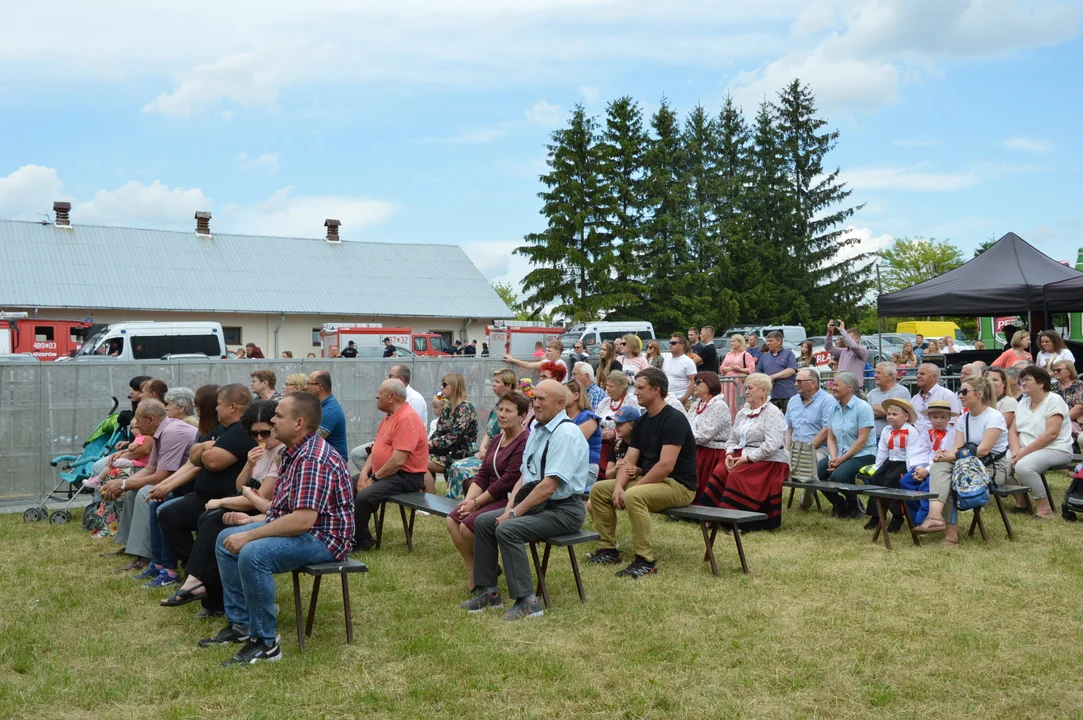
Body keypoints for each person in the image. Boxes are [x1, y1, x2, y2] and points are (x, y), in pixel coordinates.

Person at [203, 392, 354, 665]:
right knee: (225, 537)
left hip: (325, 539)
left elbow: (302, 521)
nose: (272, 421)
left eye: (279, 416)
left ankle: (266, 643)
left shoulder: (312, 458)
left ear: (298, 423)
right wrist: (247, 522)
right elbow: (279, 510)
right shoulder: (292, 452)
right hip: (307, 530)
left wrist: (249, 534)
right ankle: (241, 626)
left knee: (253, 553)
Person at [459, 380, 588, 620]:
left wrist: (514, 514)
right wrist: (509, 507)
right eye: (534, 398)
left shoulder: (566, 434)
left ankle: (528, 601)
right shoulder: (538, 430)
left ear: (560, 403)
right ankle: (490, 592)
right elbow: (524, 476)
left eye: (542, 399)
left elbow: (549, 486)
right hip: (538, 503)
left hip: (564, 511)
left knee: (508, 529)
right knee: (485, 522)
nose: (535, 404)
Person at [161, 400, 283, 612]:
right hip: (251, 505)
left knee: (213, 522)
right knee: (189, 516)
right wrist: (248, 464)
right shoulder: (259, 450)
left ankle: (200, 585)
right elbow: (240, 486)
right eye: (255, 434)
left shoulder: (281, 453)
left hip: (263, 510)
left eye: (265, 433)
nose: (260, 438)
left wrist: (223, 501)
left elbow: (260, 498)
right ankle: (202, 584)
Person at [588, 367, 698, 578]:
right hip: (651, 482)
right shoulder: (642, 421)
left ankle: (645, 561)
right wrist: (619, 486)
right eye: (635, 387)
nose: (635, 392)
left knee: (634, 495)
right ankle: (608, 549)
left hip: (679, 485)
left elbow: (665, 466)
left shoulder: (673, 420)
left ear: (656, 390)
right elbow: (628, 462)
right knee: (600, 489)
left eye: (640, 387)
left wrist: (632, 488)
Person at [158, 385, 257, 573]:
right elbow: (193, 456)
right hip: (203, 496)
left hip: (227, 499)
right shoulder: (222, 428)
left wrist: (204, 450)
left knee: (181, 516)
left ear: (233, 406)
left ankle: (198, 572)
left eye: (219, 404)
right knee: (168, 514)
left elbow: (212, 462)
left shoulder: (242, 431)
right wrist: (205, 448)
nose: (216, 409)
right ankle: (192, 566)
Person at [98, 400, 197, 573]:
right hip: (175, 482)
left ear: (150, 419)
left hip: (187, 486)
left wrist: (122, 483)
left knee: (145, 492)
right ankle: (132, 547)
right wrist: (123, 486)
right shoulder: (161, 431)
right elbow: (151, 468)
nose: (134, 424)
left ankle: (146, 556)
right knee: (133, 490)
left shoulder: (172, 432)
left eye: (137, 419)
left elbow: (161, 476)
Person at [446, 391, 530, 591]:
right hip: (488, 496)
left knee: (467, 526)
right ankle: (473, 569)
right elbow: (483, 474)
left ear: (522, 416)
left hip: (508, 499)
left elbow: (508, 481)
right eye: (500, 409)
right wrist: (468, 501)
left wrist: (476, 504)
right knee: (452, 519)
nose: (502, 414)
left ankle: (486, 567)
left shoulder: (524, 441)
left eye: (508, 411)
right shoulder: (496, 440)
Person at [916, 376, 1009, 542]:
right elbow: (957, 448)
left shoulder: (994, 416)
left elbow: (984, 450)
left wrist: (952, 456)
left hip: (993, 467)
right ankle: (935, 516)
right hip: (968, 463)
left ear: (979, 394)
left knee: (950, 479)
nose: (960, 395)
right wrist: (943, 456)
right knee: (940, 467)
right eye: (960, 391)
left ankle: (949, 534)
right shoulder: (962, 418)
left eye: (964, 391)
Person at [698, 373, 789, 531]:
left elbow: (772, 444)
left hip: (770, 459)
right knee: (720, 470)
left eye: (750, 388)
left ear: (763, 391)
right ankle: (711, 515)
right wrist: (729, 454)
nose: (746, 391)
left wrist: (747, 458)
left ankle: (740, 521)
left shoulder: (772, 412)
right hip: (743, 455)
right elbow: (732, 439)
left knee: (736, 475)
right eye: (746, 388)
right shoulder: (742, 413)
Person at [353, 379, 430, 550]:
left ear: (391, 397)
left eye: (380, 393)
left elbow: (397, 461)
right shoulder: (389, 418)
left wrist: (372, 479)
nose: (376, 396)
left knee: (364, 497)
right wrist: (364, 474)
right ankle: (363, 537)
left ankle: (353, 541)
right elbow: (375, 450)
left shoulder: (406, 419)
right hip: (386, 473)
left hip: (406, 477)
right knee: (345, 485)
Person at [1010, 366, 1074, 519]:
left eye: (1027, 380)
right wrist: (1015, 451)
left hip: (1056, 448)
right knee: (999, 463)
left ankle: (1045, 510)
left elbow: (1051, 433)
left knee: (1024, 466)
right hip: (1024, 449)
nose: (1023, 383)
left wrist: (1022, 453)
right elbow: (1013, 431)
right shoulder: (1022, 403)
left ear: (1041, 383)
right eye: (1022, 380)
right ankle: (1022, 501)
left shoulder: (1054, 400)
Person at [445, 369, 517, 500]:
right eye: (493, 381)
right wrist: (483, 448)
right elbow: (488, 432)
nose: (493, 384)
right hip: (487, 452)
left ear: (508, 385)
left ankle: (465, 505)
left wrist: (487, 453)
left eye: (497, 381)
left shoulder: (513, 407)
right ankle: (457, 507)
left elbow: (504, 438)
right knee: (456, 466)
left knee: (460, 468)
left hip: (498, 457)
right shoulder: (496, 406)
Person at [862, 397, 928, 533]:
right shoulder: (887, 430)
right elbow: (883, 450)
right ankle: (877, 515)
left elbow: (912, 453)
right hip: (890, 460)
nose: (890, 417)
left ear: (906, 416)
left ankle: (898, 516)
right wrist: (878, 466)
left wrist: (911, 470)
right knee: (876, 480)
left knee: (891, 480)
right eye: (889, 414)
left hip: (904, 462)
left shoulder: (911, 431)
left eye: (895, 414)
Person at [819, 371, 877, 519]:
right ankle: (840, 504)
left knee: (838, 476)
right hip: (841, 453)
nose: (832, 387)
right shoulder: (833, 408)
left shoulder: (863, 407)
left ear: (850, 387)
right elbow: (831, 438)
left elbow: (862, 441)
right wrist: (833, 457)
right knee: (816, 474)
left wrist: (841, 459)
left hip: (864, 454)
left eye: (836, 384)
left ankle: (854, 506)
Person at [426, 373, 478, 494]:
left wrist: (430, 444)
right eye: (441, 385)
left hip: (461, 453)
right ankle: (428, 497)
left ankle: (429, 501)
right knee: (416, 458)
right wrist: (425, 444)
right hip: (446, 451)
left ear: (454, 386)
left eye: (444, 385)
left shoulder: (466, 408)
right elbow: (439, 432)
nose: (441, 388)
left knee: (420, 463)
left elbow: (453, 436)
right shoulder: (446, 408)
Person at [686, 372, 731, 499]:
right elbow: (687, 426)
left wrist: (685, 438)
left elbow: (704, 435)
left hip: (713, 454)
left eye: (698, 382)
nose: (695, 385)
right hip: (697, 449)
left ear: (709, 384)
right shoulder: (696, 405)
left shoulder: (719, 406)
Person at [596, 371, 639, 476]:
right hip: (601, 440)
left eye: (611, 386)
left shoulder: (631, 402)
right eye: (607, 386)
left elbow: (633, 425)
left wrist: (614, 434)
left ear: (621, 388)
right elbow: (596, 419)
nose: (607, 389)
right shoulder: (605, 401)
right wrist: (600, 430)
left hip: (620, 442)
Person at [564, 380, 602, 489]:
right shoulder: (563, 417)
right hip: (567, 466)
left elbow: (571, 444)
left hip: (586, 468)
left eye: (564, 394)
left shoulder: (589, 418)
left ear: (576, 396)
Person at [306, 371, 348, 460]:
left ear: (319, 387)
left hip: (334, 463)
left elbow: (311, 441)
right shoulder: (323, 406)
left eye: (309, 383)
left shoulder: (330, 411)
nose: (306, 387)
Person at [911, 363, 962, 434]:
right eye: (917, 373)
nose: (918, 376)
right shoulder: (915, 398)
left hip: (941, 439)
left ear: (934, 377)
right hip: (917, 440)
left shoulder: (947, 395)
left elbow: (953, 422)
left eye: (922, 374)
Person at [755, 331, 798, 411]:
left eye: (771, 341)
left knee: (789, 421)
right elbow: (758, 374)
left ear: (779, 341)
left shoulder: (788, 354)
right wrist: (766, 379)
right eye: (767, 341)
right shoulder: (764, 357)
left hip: (788, 394)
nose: (768, 343)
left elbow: (791, 370)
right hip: (771, 396)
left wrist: (773, 377)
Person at [720, 334, 757, 421]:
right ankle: (728, 420)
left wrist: (739, 369)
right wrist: (730, 368)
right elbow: (722, 368)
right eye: (731, 341)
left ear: (740, 343)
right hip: (727, 383)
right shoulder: (729, 354)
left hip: (739, 383)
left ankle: (738, 420)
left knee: (738, 401)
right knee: (727, 400)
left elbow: (752, 369)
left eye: (734, 341)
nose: (731, 343)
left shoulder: (746, 355)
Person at [868, 362, 910, 438]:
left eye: (878, 373)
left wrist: (872, 407)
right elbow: (865, 413)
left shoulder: (901, 391)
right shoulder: (872, 393)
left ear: (890, 376)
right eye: (875, 373)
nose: (875, 375)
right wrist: (883, 409)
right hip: (871, 438)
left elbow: (895, 413)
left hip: (894, 438)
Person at [1051, 359, 1083, 446]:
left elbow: (1079, 408)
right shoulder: (1052, 386)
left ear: (1069, 371)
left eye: (1059, 370)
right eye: (1054, 370)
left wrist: (1060, 421)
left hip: (1073, 421)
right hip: (1052, 420)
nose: (1055, 372)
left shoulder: (1079, 385)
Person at [603, 406, 641, 479]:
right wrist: (616, 468)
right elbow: (608, 474)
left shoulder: (643, 444)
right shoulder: (616, 445)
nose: (616, 427)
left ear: (632, 425)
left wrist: (638, 471)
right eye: (615, 424)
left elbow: (650, 469)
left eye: (619, 424)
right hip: (618, 479)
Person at [504, 339, 568, 379]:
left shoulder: (560, 364)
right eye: (546, 351)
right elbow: (529, 365)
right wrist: (512, 360)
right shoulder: (547, 361)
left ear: (558, 353)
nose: (546, 353)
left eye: (549, 351)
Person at [664, 334, 698, 405]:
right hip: (667, 399)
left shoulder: (688, 361)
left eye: (673, 343)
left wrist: (684, 398)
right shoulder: (667, 358)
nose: (670, 345)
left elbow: (693, 381)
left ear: (682, 346)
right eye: (670, 343)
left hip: (682, 400)